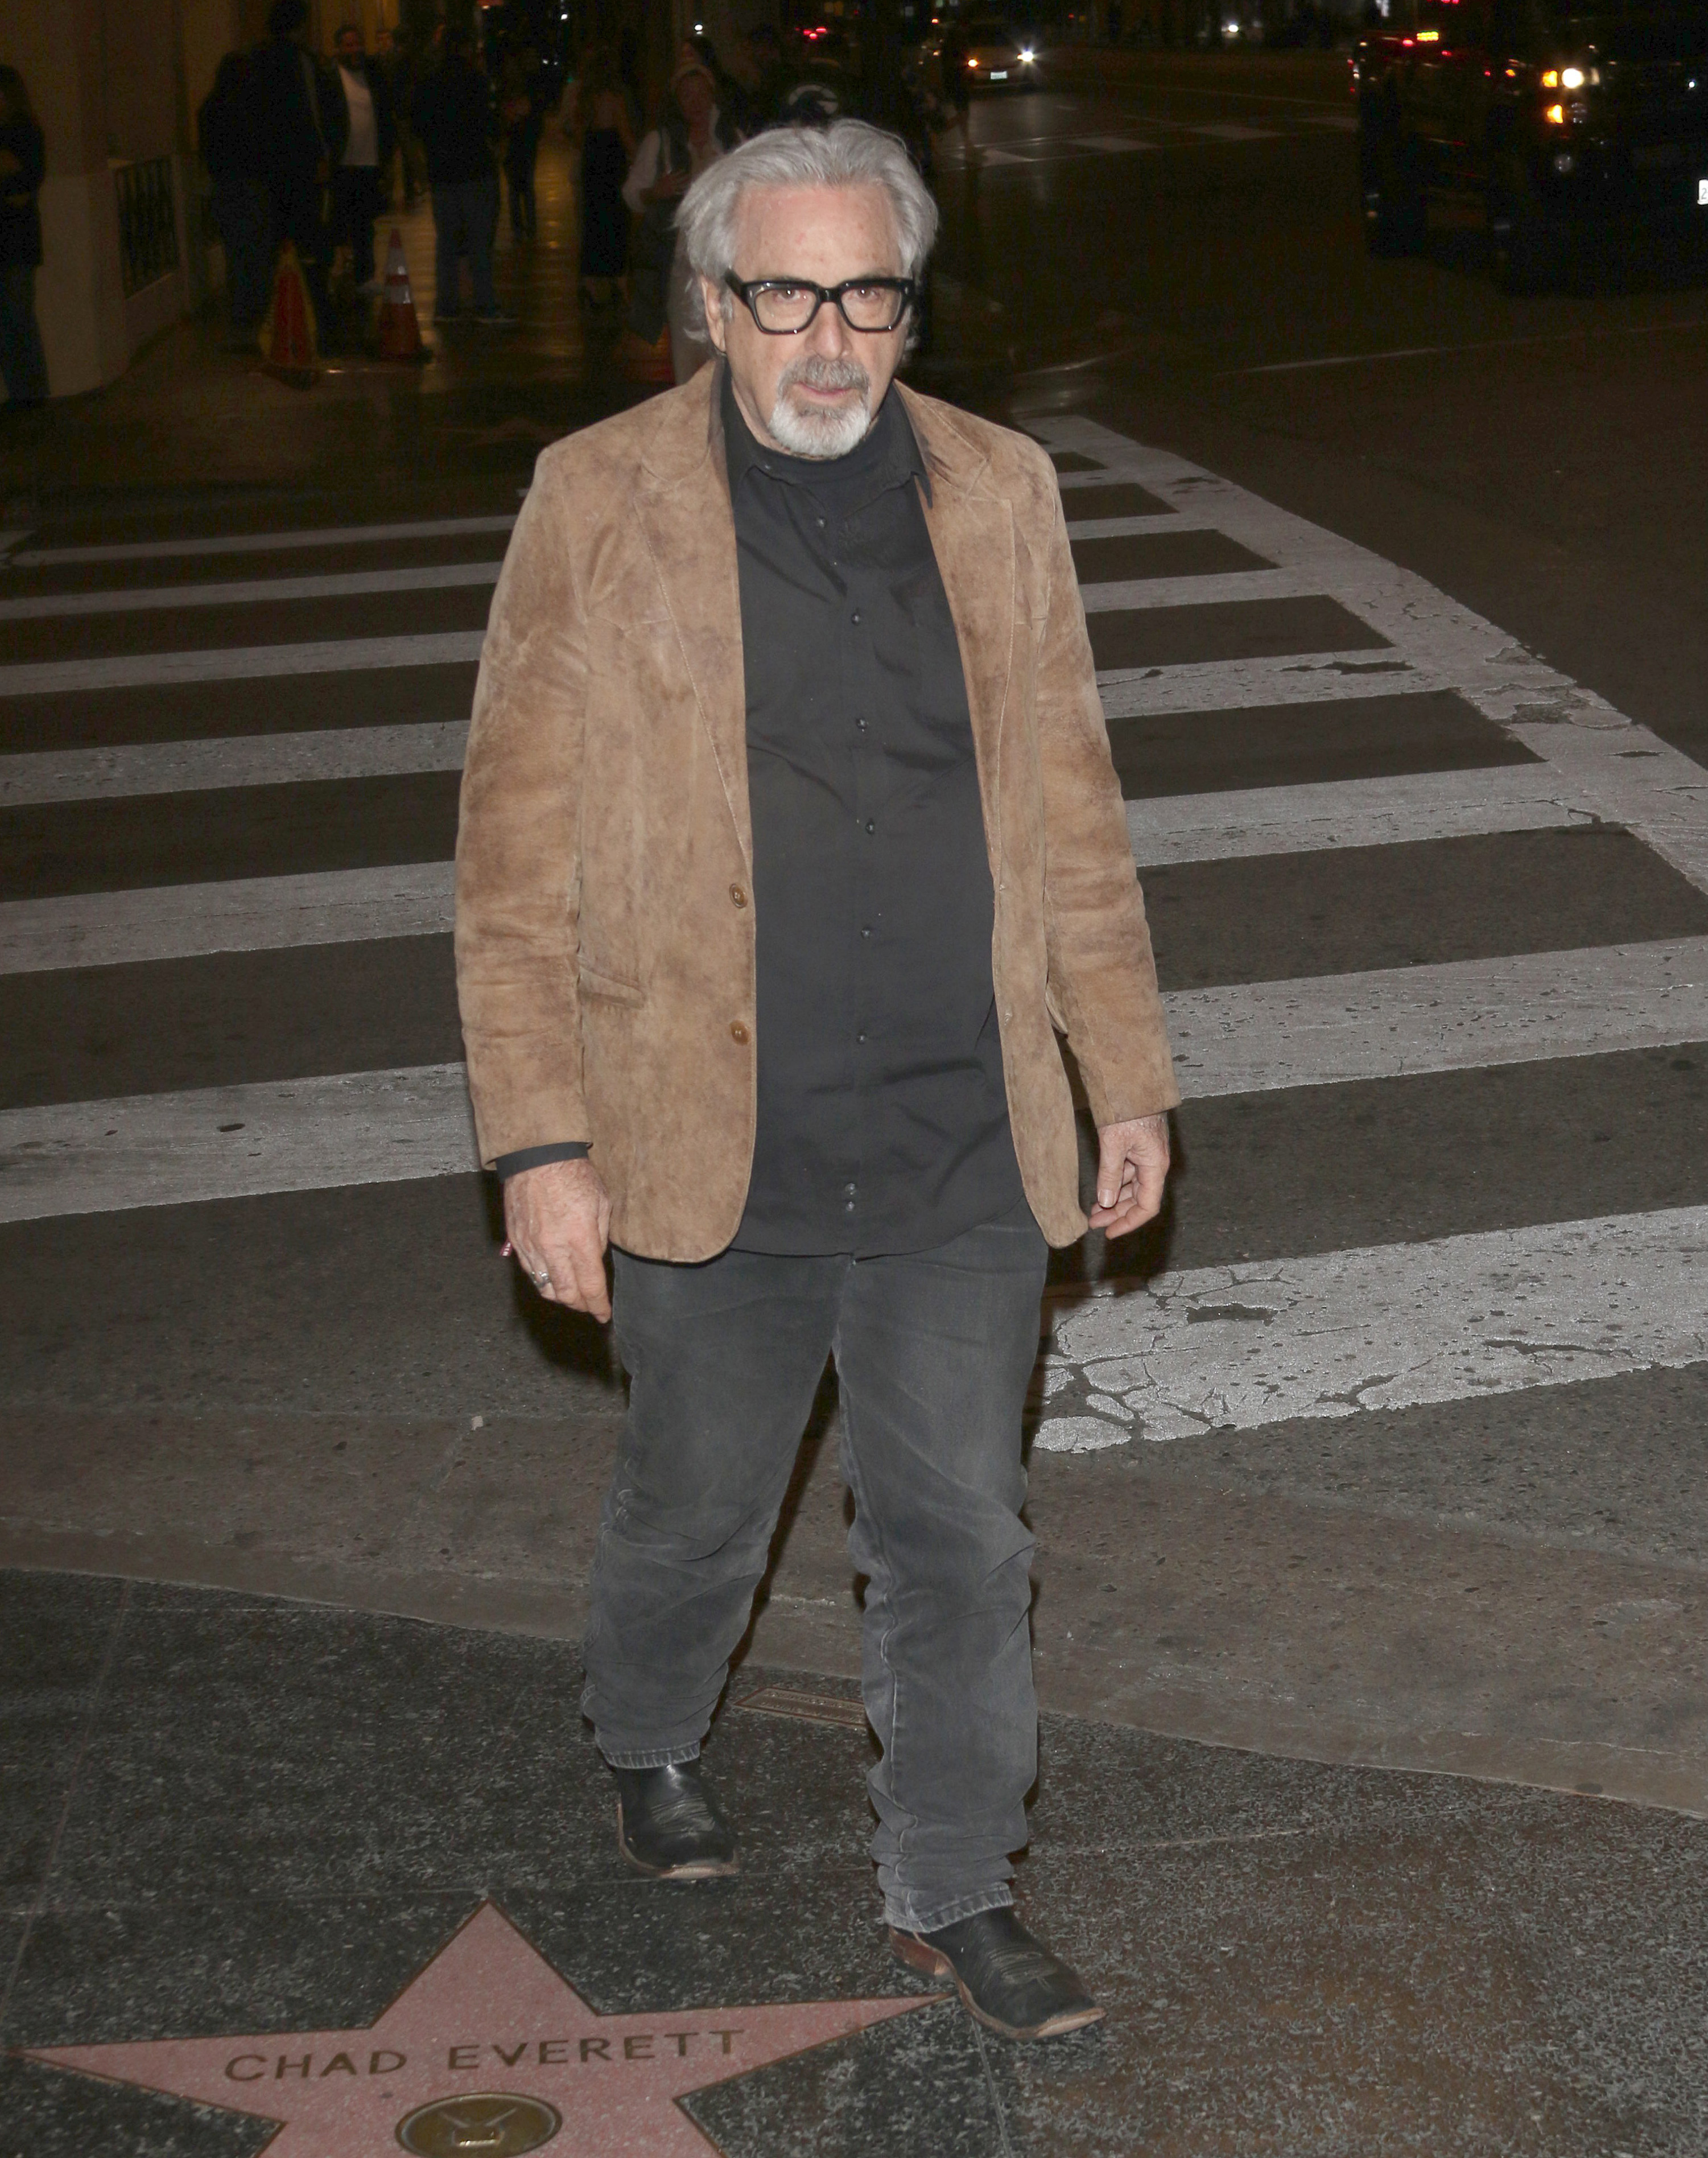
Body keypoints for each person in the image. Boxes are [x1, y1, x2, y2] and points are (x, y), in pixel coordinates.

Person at [455, 119, 1177, 2044]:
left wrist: (1126, 1069)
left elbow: (1071, 803)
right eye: (789, 296)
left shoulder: (999, 488)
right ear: (711, 304)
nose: (833, 340)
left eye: (872, 294)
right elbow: (511, 868)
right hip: (713, 1135)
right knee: (700, 1506)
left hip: (957, 1131)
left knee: (963, 1529)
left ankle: (951, 1882)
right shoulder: (594, 501)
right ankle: (646, 1725)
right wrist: (541, 1142)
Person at [620, 56, 737, 382]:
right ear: (677, 101)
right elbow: (631, 194)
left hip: (728, 266)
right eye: (687, 95)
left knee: (730, 355)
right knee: (687, 355)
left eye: (702, 94)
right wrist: (655, 192)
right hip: (681, 268)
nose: (696, 103)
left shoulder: (730, 139)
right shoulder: (661, 142)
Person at [251, 0, 348, 335]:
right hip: (302, 168)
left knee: (279, 240)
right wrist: (323, 158)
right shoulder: (301, 61)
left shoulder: (257, 60)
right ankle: (317, 313)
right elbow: (310, 114)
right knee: (311, 240)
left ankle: (279, 312)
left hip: (270, 169)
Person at [412, 27, 511, 326]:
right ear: (466, 49)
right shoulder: (477, 82)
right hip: (475, 169)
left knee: (447, 243)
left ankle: (447, 305)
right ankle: (485, 304)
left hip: (443, 173)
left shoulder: (429, 84)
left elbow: (419, 126)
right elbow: (491, 123)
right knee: (480, 242)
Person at [198, 52, 273, 345]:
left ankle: (242, 309)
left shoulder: (210, 108)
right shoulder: (249, 106)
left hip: (225, 186)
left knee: (236, 250)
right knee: (257, 248)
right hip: (250, 184)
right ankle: (258, 306)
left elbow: (209, 150)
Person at [331, 22, 396, 293]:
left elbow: (385, 113)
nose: (355, 49)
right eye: (349, 45)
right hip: (344, 163)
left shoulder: (373, 75)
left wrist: (386, 155)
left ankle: (364, 275)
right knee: (340, 220)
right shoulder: (332, 78)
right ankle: (339, 271)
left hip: (369, 161)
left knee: (364, 223)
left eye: (358, 43)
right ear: (339, 49)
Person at [0, 64, 49, 405]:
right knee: (9, 322)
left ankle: (32, 394)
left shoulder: (25, 132)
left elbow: (23, 188)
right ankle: (22, 394)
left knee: (18, 317)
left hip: (17, 239)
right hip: (14, 233)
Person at [572, 44, 633, 307]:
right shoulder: (614, 97)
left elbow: (577, 134)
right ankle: (618, 280)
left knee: (593, 220)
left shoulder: (585, 99)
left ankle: (589, 282)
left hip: (593, 157)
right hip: (612, 157)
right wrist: (637, 156)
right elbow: (625, 132)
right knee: (616, 219)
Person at [497, 41, 544, 240]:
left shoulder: (515, 89)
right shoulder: (524, 88)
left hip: (519, 140)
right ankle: (527, 227)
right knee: (523, 186)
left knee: (518, 187)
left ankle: (523, 228)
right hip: (521, 140)